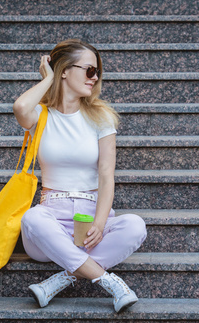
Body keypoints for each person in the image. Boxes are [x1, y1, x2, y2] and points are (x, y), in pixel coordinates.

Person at [12, 39, 147, 313]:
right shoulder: (41, 115)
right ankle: (107, 281)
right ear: (64, 70)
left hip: (90, 220)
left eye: (97, 72)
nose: (95, 77)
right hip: (51, 219)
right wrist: (48, 78)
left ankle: (59, 281)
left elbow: (107, 174)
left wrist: (99, 221)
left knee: (135, 225)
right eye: (88, 70)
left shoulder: (101, 117)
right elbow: (20, 108)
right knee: (31, 217)